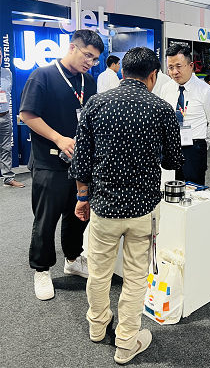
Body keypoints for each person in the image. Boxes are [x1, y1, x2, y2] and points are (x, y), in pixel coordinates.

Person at [70, 47, 183, 365]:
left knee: (98, 273)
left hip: (104, 208)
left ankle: (97, 327)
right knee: (135, 279)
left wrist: (82, 198)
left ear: (122, 72)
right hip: (142, 211)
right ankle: (126, 343)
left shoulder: (96, 103)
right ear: (153, 75)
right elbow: (173, 160)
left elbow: (81, 160)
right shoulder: (161, 109)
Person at [19, 29, 104, 301]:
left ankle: (73, 258)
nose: (90, 62)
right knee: (46, 219)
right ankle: (41, 269)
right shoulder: (42, 76)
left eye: (95, 59)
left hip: (79, 163)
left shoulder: (88, 81)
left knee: (78, 213)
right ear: (72, 47)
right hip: (49, 161)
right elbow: (27, 114)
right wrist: (58, 138)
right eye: (87, 55)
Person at [161, 43, 210, 185]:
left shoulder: (206, 91)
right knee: (170, 186)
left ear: (191, 66)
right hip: (170, 146)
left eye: (178, 66)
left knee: (194, 189)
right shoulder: (166, 88)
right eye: (170, 67)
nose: (174, 72)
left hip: (194, 147)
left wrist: (202, 144)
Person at [0, 47, 25, 188]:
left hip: (5, 116)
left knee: (6, 148)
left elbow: (8, 93)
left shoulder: (7, 73)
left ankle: (8, 178)